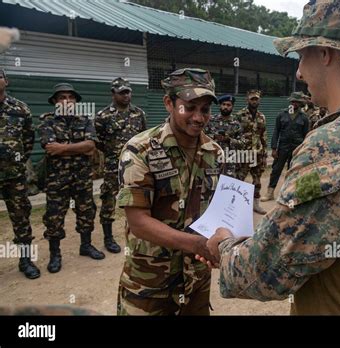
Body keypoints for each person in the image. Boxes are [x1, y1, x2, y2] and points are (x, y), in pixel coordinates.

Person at [199, 0, 340, 315]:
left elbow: (266, 273)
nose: (300, 72)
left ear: (325, 53)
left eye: (302, 56)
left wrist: (223, 246)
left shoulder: (337, 142)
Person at [116, 68, 223, 316]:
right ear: (169, 103)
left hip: (196, 280)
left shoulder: (215, 153)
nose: (198, 117)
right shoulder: (140, 150)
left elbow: (219, 210)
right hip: (149, 284)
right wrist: (196, 244)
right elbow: (138, 222)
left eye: (205, 110)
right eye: (189, 107)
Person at [39, 83, 104, 274]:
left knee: (86, 212)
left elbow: (91, 146)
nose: (67, 100)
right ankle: (55, 255)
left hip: (82, 177)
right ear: (55, 101)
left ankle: (86, 246)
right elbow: (49, 147)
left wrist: (62, 148)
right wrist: (78, 147)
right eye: (61, 97)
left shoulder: (85, 119)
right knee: (54, 217)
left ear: (75, 101)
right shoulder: (46, 120)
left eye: (70, 97)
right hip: (56, 179)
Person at [95, 77, 147, 254]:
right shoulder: (103, 116)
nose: (126, 95)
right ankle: (108, 238)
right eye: (122, 92)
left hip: (135, 166)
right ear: (113, 93)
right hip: (113, 166)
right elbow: (99, 142)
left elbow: (143, 138)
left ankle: (140, 232)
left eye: (128, 92)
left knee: (137, 198)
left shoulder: (139, 114)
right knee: (108, 199)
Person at [0, 68, 40, 279]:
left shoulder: (20, 108)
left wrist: (16, 161)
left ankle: (26, 261)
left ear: (6, 80)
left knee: (21, 218)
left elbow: (28, 140)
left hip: (13, 176)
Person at [261, 92, 309, 202]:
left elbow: (306, 135)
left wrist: (303, 150)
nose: (293, 103)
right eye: (292, 101)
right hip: (283, 147)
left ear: (300, 103)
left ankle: (289, 194)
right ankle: (270, 192)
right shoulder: (282, 114)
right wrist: (274, 148)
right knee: (276, 169)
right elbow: (276, 132)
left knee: (293, 171)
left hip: (296, 148)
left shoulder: (304, 118)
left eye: (296, 102)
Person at [235, 90, 268, 214]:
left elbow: (263, 135)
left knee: (257, 180)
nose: (254, 101)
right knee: (239, 179)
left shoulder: (262, 116)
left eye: (256, 99)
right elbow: (235, 133)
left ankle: (256, 205)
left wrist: (265, 153)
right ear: (247, 100)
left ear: (259, 100)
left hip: (257, 154)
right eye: (252, 99)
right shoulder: (239, 115)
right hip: (243, 154)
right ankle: (236, 205)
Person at [204, 94, 243, 178]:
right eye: (223, 104)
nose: (226, 107)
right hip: (212, 159)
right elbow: (202, 137)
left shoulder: (236, 124)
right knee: (211, 185)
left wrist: (229, 140)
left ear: (232, 107)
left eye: (228, 105)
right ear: (220, 106)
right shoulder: (211, 120)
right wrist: (214, 137)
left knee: (227, 187)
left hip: (230, 162)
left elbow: (242, 143)